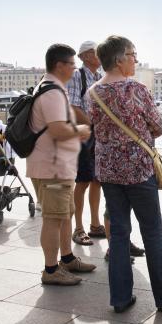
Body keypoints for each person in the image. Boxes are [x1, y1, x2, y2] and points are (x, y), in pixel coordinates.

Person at [88, 35, 162, 313]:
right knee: (153, 233)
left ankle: (120, 298)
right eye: (133, 54)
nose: (135, 59)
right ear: (120, 59)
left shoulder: (94, 92)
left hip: (109, 171)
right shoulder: (135, 88)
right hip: (138, 170)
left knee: (120, 234)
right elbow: (157, 126)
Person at [28, 44, 96, 286]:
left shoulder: (53, 89)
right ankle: (50, 269)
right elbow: (57, 130)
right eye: (72, 64)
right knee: (53, 218)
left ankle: (66, 258)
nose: (74, 68)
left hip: (58, 167)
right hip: (52, 169)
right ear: (60, 65)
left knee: (65, 215)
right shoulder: (53, 93)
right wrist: (81, 130)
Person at [66, 41, 104, 246]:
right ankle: (78, 228)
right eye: (97, 53)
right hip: (84, 134)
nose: (100, 56)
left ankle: (95, 224)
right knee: (82, 181)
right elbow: (73, 106)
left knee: (97, 179)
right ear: (87, 55)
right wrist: (92, 124)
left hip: (96, 134)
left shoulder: (99, 77)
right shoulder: (76, 75)